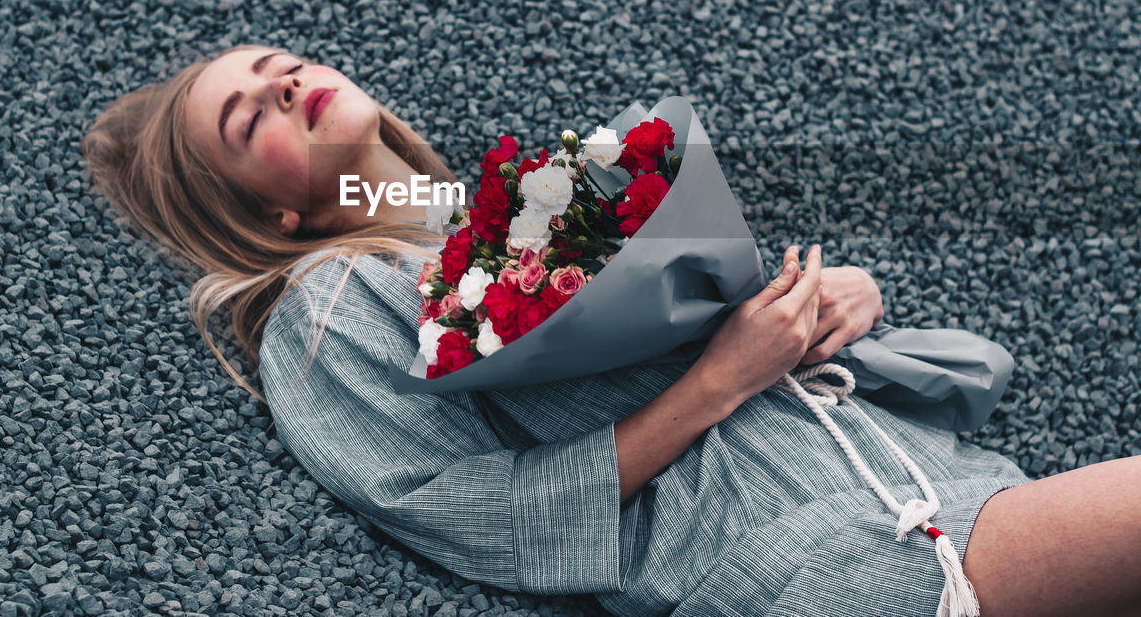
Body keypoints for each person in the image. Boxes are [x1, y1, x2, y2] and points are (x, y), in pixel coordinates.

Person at [81, 44, 1141, 617]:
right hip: (842, 558)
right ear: (263, 215)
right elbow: (469, 514)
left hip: (934, 481)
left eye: (275, 65)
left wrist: (834, 305)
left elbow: (725, 336)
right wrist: (720, 379)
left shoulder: (487, 214)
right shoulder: (323, 303)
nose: (282, 84)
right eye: (247, 117)